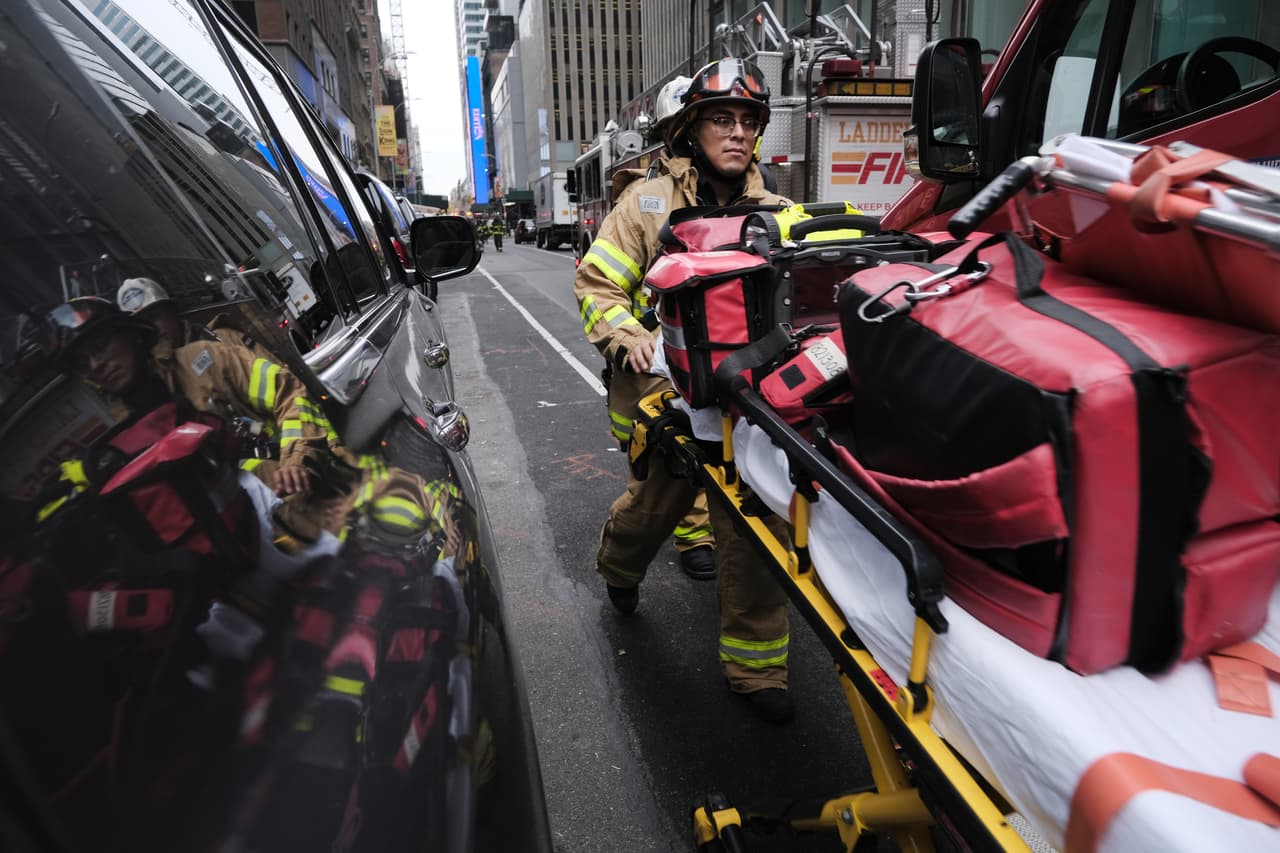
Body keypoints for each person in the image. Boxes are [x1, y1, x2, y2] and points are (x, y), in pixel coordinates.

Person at [572, 58, 794, 722]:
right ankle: (620, 566)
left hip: (744, 403)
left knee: (755, 529)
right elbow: (597, 285)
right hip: (663, 397)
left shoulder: (777, 212)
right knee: (653, 508)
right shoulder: (644, 204)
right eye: (722, 119)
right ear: (691, 129)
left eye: (748, 121)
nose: (737, 133)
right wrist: (626, 337)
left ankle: (757, 670)